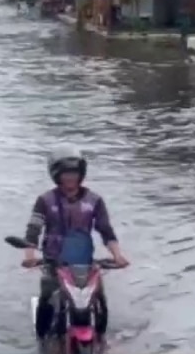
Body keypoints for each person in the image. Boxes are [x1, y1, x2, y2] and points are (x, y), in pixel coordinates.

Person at [21, 146, 128, 343]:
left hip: (85, 265)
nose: (71, 178)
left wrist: (117, 256)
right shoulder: (45, 200)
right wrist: (30, 257)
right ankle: (42, 342)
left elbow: (106, 231)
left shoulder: (95, 200)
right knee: (46, 299)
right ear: (56, 175)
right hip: (54, 263)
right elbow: (33, 231)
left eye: (74, 173)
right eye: (66, 174)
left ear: (81, 174)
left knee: (101, 304)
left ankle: (102, 342)